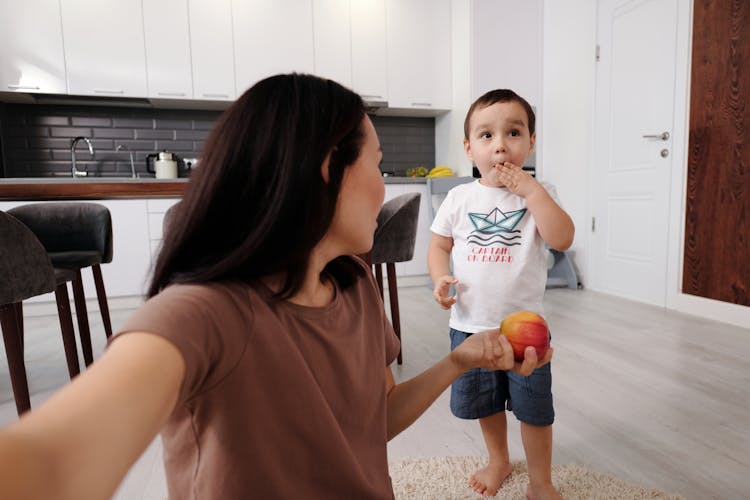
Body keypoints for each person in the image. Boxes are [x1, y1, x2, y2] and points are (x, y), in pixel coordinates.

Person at [0, 74, 550, 500]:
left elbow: (374, 422)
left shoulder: (356, 286)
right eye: (378, 163)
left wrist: (462, 360)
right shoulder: (202, 314)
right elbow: (51, 460)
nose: (385, 185)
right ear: (325, 171)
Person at [428, 89, 573, 499]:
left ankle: (541, 480)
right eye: (486, 136)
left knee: (534, 408)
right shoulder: (458, 198)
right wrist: (440, 278)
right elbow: (439, 247)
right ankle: (498, 459)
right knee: (485, 402)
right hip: (471, 325)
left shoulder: (539, 194)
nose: (501, 145)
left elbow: (562, 238)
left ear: (531, 142)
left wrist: (531, 193)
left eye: (513, 132)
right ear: (468, 147)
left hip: (526, 329)